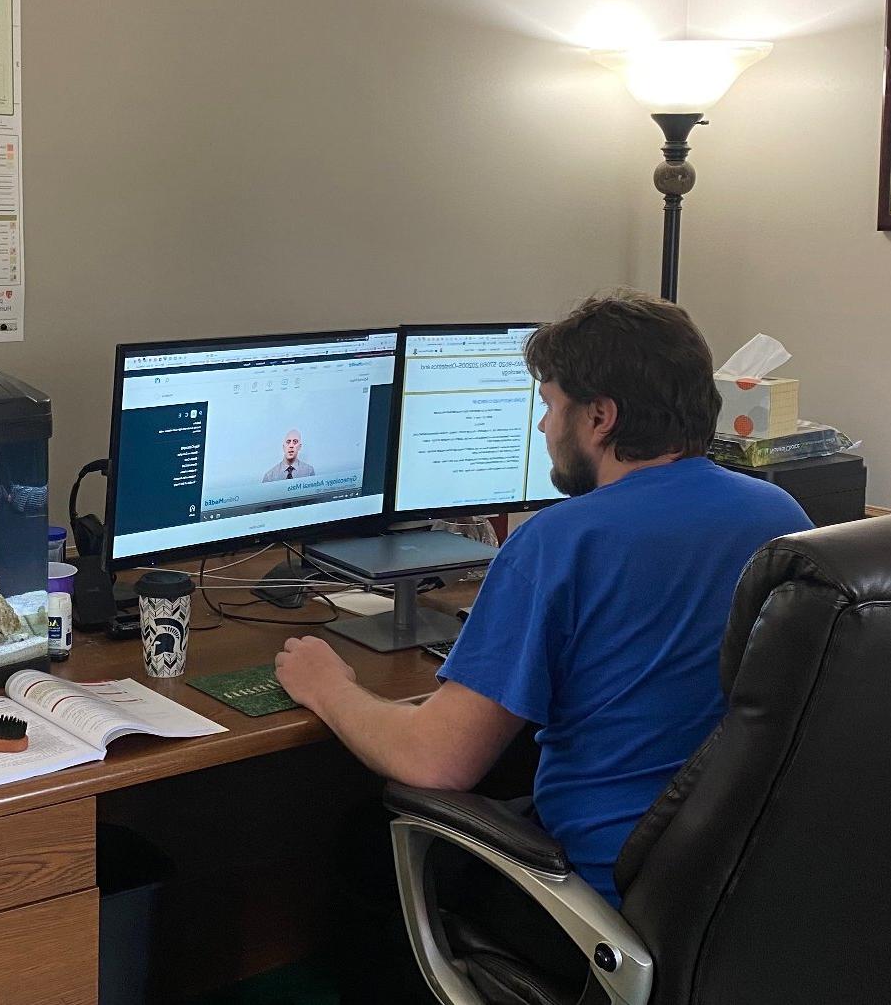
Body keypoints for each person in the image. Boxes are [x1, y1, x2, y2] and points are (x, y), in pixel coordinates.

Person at [274, 291, 814, 913]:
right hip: (731, 872)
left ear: (599, 417)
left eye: (551, 405)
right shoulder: (780, 515)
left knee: (366, 839)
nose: (542, 426)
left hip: (604, 885)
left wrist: (326, 685)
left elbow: (435, 760)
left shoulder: (561, 541)